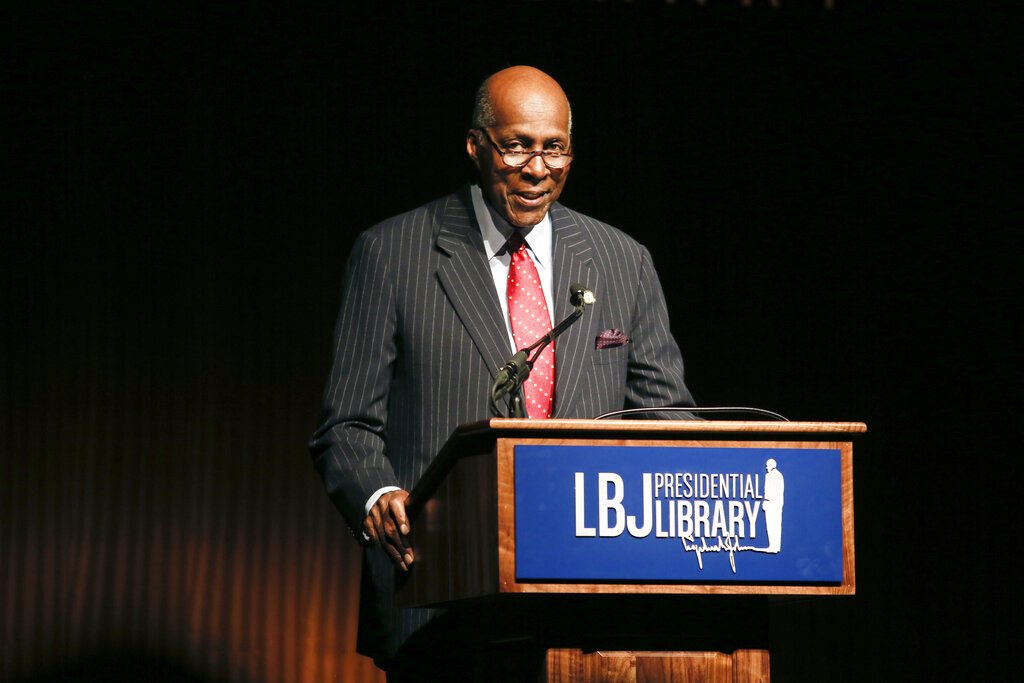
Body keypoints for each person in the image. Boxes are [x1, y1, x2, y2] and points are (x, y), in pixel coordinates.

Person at [309, 65, 696, 679]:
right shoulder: (392, 253)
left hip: (591, 604)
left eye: (555, 149)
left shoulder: (623, 262)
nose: (537, 170)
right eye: (516, 146)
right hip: (438, 593)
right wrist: (379, 496)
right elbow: (347, 425)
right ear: (475, 144)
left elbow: (668, 421)